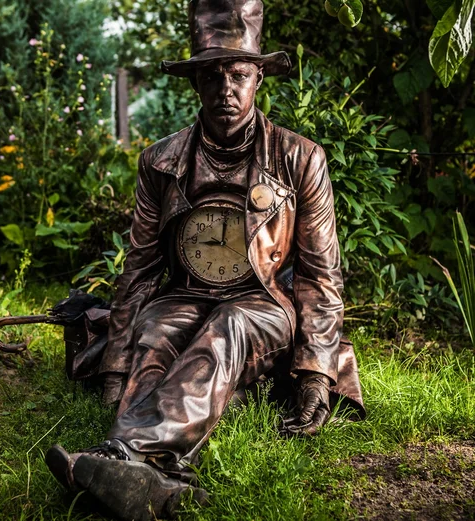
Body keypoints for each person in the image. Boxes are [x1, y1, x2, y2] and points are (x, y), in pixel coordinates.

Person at [46, 1, 364, 519]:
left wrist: (315, 375)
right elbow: (142, 267)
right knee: (155, 325)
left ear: (258, 77)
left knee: (228, 324)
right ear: (195, 84)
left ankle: (126, 454)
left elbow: (320, 274)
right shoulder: (162, 160)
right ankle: (159, 483)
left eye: (239, 74)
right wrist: (114, 369)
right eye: (212, 77)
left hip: (263, 304)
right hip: (185, 294)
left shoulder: (299, 157)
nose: (226, 90)